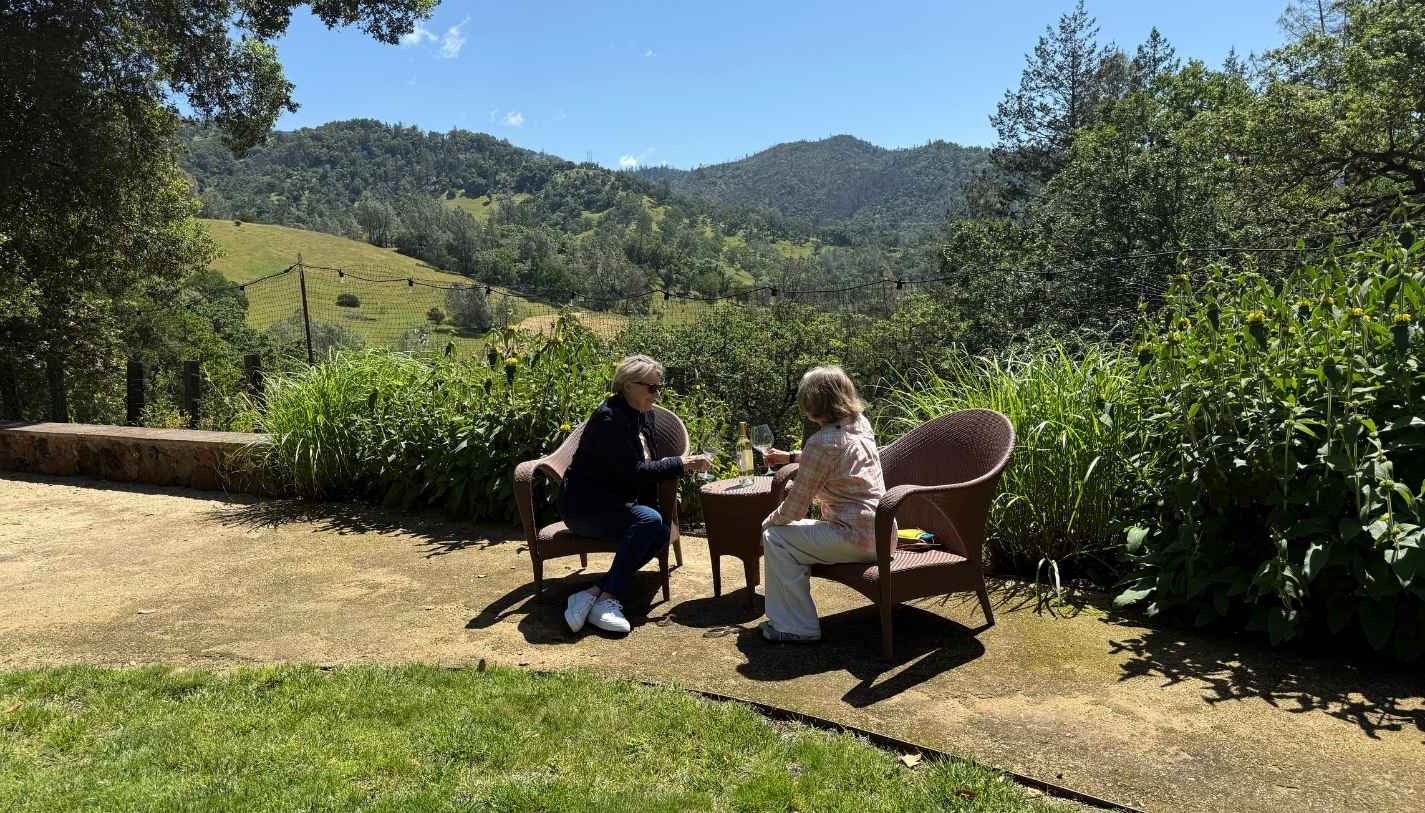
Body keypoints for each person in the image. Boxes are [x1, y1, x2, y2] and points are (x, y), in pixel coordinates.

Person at [558, 354, 710, 634]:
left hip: (615, 503)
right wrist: (681, 464)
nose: (657, 394)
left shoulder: (643, 415)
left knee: (661, 531)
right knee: (651, 523)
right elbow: (634, 472)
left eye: (659, 388)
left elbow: (647, 465)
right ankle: (608, 599)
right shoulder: (609, 419)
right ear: (628, 385)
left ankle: (593, 593)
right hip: (585, 508)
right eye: (651, 388)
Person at [759, 366, 889, 643]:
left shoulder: (821, 443)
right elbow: (836, 454)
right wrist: (793, 456)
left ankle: (796, 626)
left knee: (775, 536)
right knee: (789, 537)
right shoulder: (860, 423)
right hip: (884, 533)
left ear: (812, 403)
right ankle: (793, 618)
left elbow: (794, 510)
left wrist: (766, 522)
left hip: (854, 539)